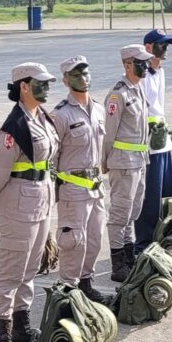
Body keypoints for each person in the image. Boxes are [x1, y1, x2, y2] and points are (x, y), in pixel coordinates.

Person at [0, 63, 60, 342]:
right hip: (17, 200)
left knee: (30, 267)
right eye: (41, 83)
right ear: (24, 87)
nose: (47, 88)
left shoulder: (42, 117)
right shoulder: (14, 127)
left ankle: (21, 325)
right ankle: (2, 334)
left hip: (41, 197)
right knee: (11, 269)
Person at [51, 56, 110, 304]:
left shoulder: (97, 108)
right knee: (73, 242)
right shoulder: (60, 115)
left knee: (95, 239)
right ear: (66, 80)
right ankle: (67, 290)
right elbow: (51, 157)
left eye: (85, 73)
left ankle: (86, 283)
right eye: (75, 75)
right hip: (72, 189)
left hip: (95, 186)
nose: (82, 78)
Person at [104, 45, 153, 283]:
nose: (145, 66)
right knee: (120, 214)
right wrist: (105, 160)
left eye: (146, 62)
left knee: (133, 211)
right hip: (122, 164)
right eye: (140, 63)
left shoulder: (138, 89)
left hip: (139, 161)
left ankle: (128, 253)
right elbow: (109, 133)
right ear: (127, 65)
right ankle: (117, 263)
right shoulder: (118, 94)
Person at [136, 29, 172, 252]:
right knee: (149, 197)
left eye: (167, 44)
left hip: (163, 141)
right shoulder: (142, 77)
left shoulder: (159, 72)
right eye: (162, 44)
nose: (166, 48)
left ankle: (163, 236)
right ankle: (143, 242)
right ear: (148, 48)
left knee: (166, 194)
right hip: (148, 143)